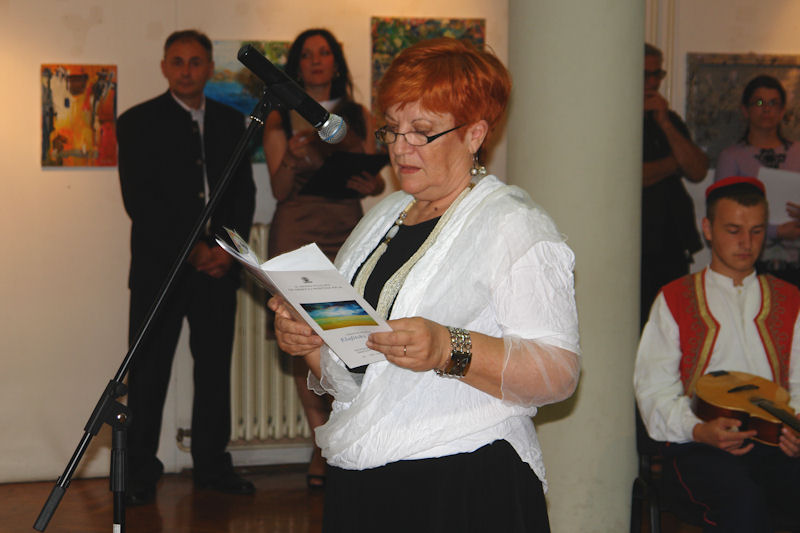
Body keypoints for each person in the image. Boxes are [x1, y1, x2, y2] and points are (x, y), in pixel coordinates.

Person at [269, 37, 581, 532]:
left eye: (422, 132)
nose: (400, 147)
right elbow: (355, 375)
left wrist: (449, 348)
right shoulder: (382, 218)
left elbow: (558, 374)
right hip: (364, 472)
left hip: (464, 478)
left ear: (475, 134)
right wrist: (308, 340)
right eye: (392, 129)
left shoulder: (514, 225)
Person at [117, 29, 256, 505]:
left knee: (214, 370)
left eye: (196, 62)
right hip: (160, 270)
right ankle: (140, 470)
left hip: (218, 268)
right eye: (177, 61)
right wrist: (193, 250)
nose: (186, 70)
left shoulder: (231, 121)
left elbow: (243, 194)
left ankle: (212, 466)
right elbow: (140, 202)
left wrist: (226, 251)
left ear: (209, 68)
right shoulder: (137, 122)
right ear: (163, 67)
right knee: (149, 372)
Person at [634, 176, 800, 532]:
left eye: (757, 231)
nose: (746, 243)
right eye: (733, 230)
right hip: (698, 447)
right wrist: (698, 429)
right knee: (742, 501)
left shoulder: (791, 300)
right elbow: (653, 392)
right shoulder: (675, 298)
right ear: (707, 229)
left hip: (776, 445)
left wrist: (795, 428)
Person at [262, 28, 385, 488]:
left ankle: (351, 431)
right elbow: (277, 189)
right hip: (297, 227)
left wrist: (373, 184)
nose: (316, 61)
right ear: (297, 64)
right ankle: (321, 444)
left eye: (325, 53)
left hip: (347, 226)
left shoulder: (358, 114)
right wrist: (293, 159)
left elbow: (374, 175)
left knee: (347, 331)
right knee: (304, 337)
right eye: (307, 55)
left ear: (336, 61)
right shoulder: (279, 115)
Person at [641, 43, 709, 328]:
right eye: (645, 75)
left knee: (674, 324)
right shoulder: (615, 121)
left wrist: (665, 123)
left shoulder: (669, 120)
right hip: (637, 245)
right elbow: (632, 178)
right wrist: (675, 162)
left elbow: (697, 170)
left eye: (657, 74)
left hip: (673, 242)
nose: (653, 82)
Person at [715, 74, 800, 287]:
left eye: (774, 103)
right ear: (745, 110)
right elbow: (721, 214)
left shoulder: (798, 153)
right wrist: (776, 231)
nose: (767, 109)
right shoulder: (731, 156)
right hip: (749, 263)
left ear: (783, 111)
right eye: (759, 103)